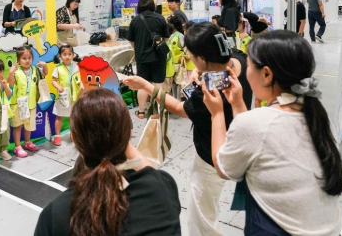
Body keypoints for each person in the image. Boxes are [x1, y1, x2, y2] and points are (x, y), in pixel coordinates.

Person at [202, 30, 342, 235]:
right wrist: (238, 103)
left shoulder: (257, 123)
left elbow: (223, 168)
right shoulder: (319, 117)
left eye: (249, 65)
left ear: (267, 74)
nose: (246, 72)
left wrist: (216, 114)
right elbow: (255, 139)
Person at [124, 22, 253, 236]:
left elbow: (179, 107)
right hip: (234, 141)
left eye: (192, 56)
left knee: (202, 217)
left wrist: (146, 85)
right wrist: (199, 75)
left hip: (211, 155)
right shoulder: (240, 60)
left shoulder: (211, 93)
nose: (190, 59)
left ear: (202, 59)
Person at [34, 88, 182, 236]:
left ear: (74, 138)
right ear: (128, 134)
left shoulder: (54, 215)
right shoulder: (162, 188)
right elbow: (150, 173)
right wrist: (121, 134)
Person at [126, 0, 169, 119]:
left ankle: (141, 112)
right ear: (152, 5)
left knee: (142, 84)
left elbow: (131, 41)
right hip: (158, 57)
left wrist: (140, 48)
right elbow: (166, 38)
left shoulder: (135, 20)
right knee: (158, 85)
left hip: (142, 58)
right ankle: (158, 112)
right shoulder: (160, 18)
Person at [8, 45, 48, 157]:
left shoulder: (35, 70)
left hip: (31, 103)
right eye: (24, 58)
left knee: (28, 125)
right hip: (18, 104)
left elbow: (45, 73)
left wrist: (45, 65)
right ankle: (17, 146)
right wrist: (11, 73)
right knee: (17, 125)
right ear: (18, 60)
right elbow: (10, 83)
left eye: (29, 58)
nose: (27, 60)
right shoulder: (16, 72)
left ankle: (27, 142)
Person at [51, 43, 83, 146]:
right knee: (59, 116)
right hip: (63, 97)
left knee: (72, 117)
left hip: (74, 97)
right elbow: (53, 81)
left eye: (69, 54)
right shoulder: (58, 68)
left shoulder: (76, 67)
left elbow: (80, 79)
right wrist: (58, 87)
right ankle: (57, 136)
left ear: (73, 55)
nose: (67, 56)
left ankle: (72, 133)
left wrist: (81, 85)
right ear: (60, 56)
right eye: (64, 54)